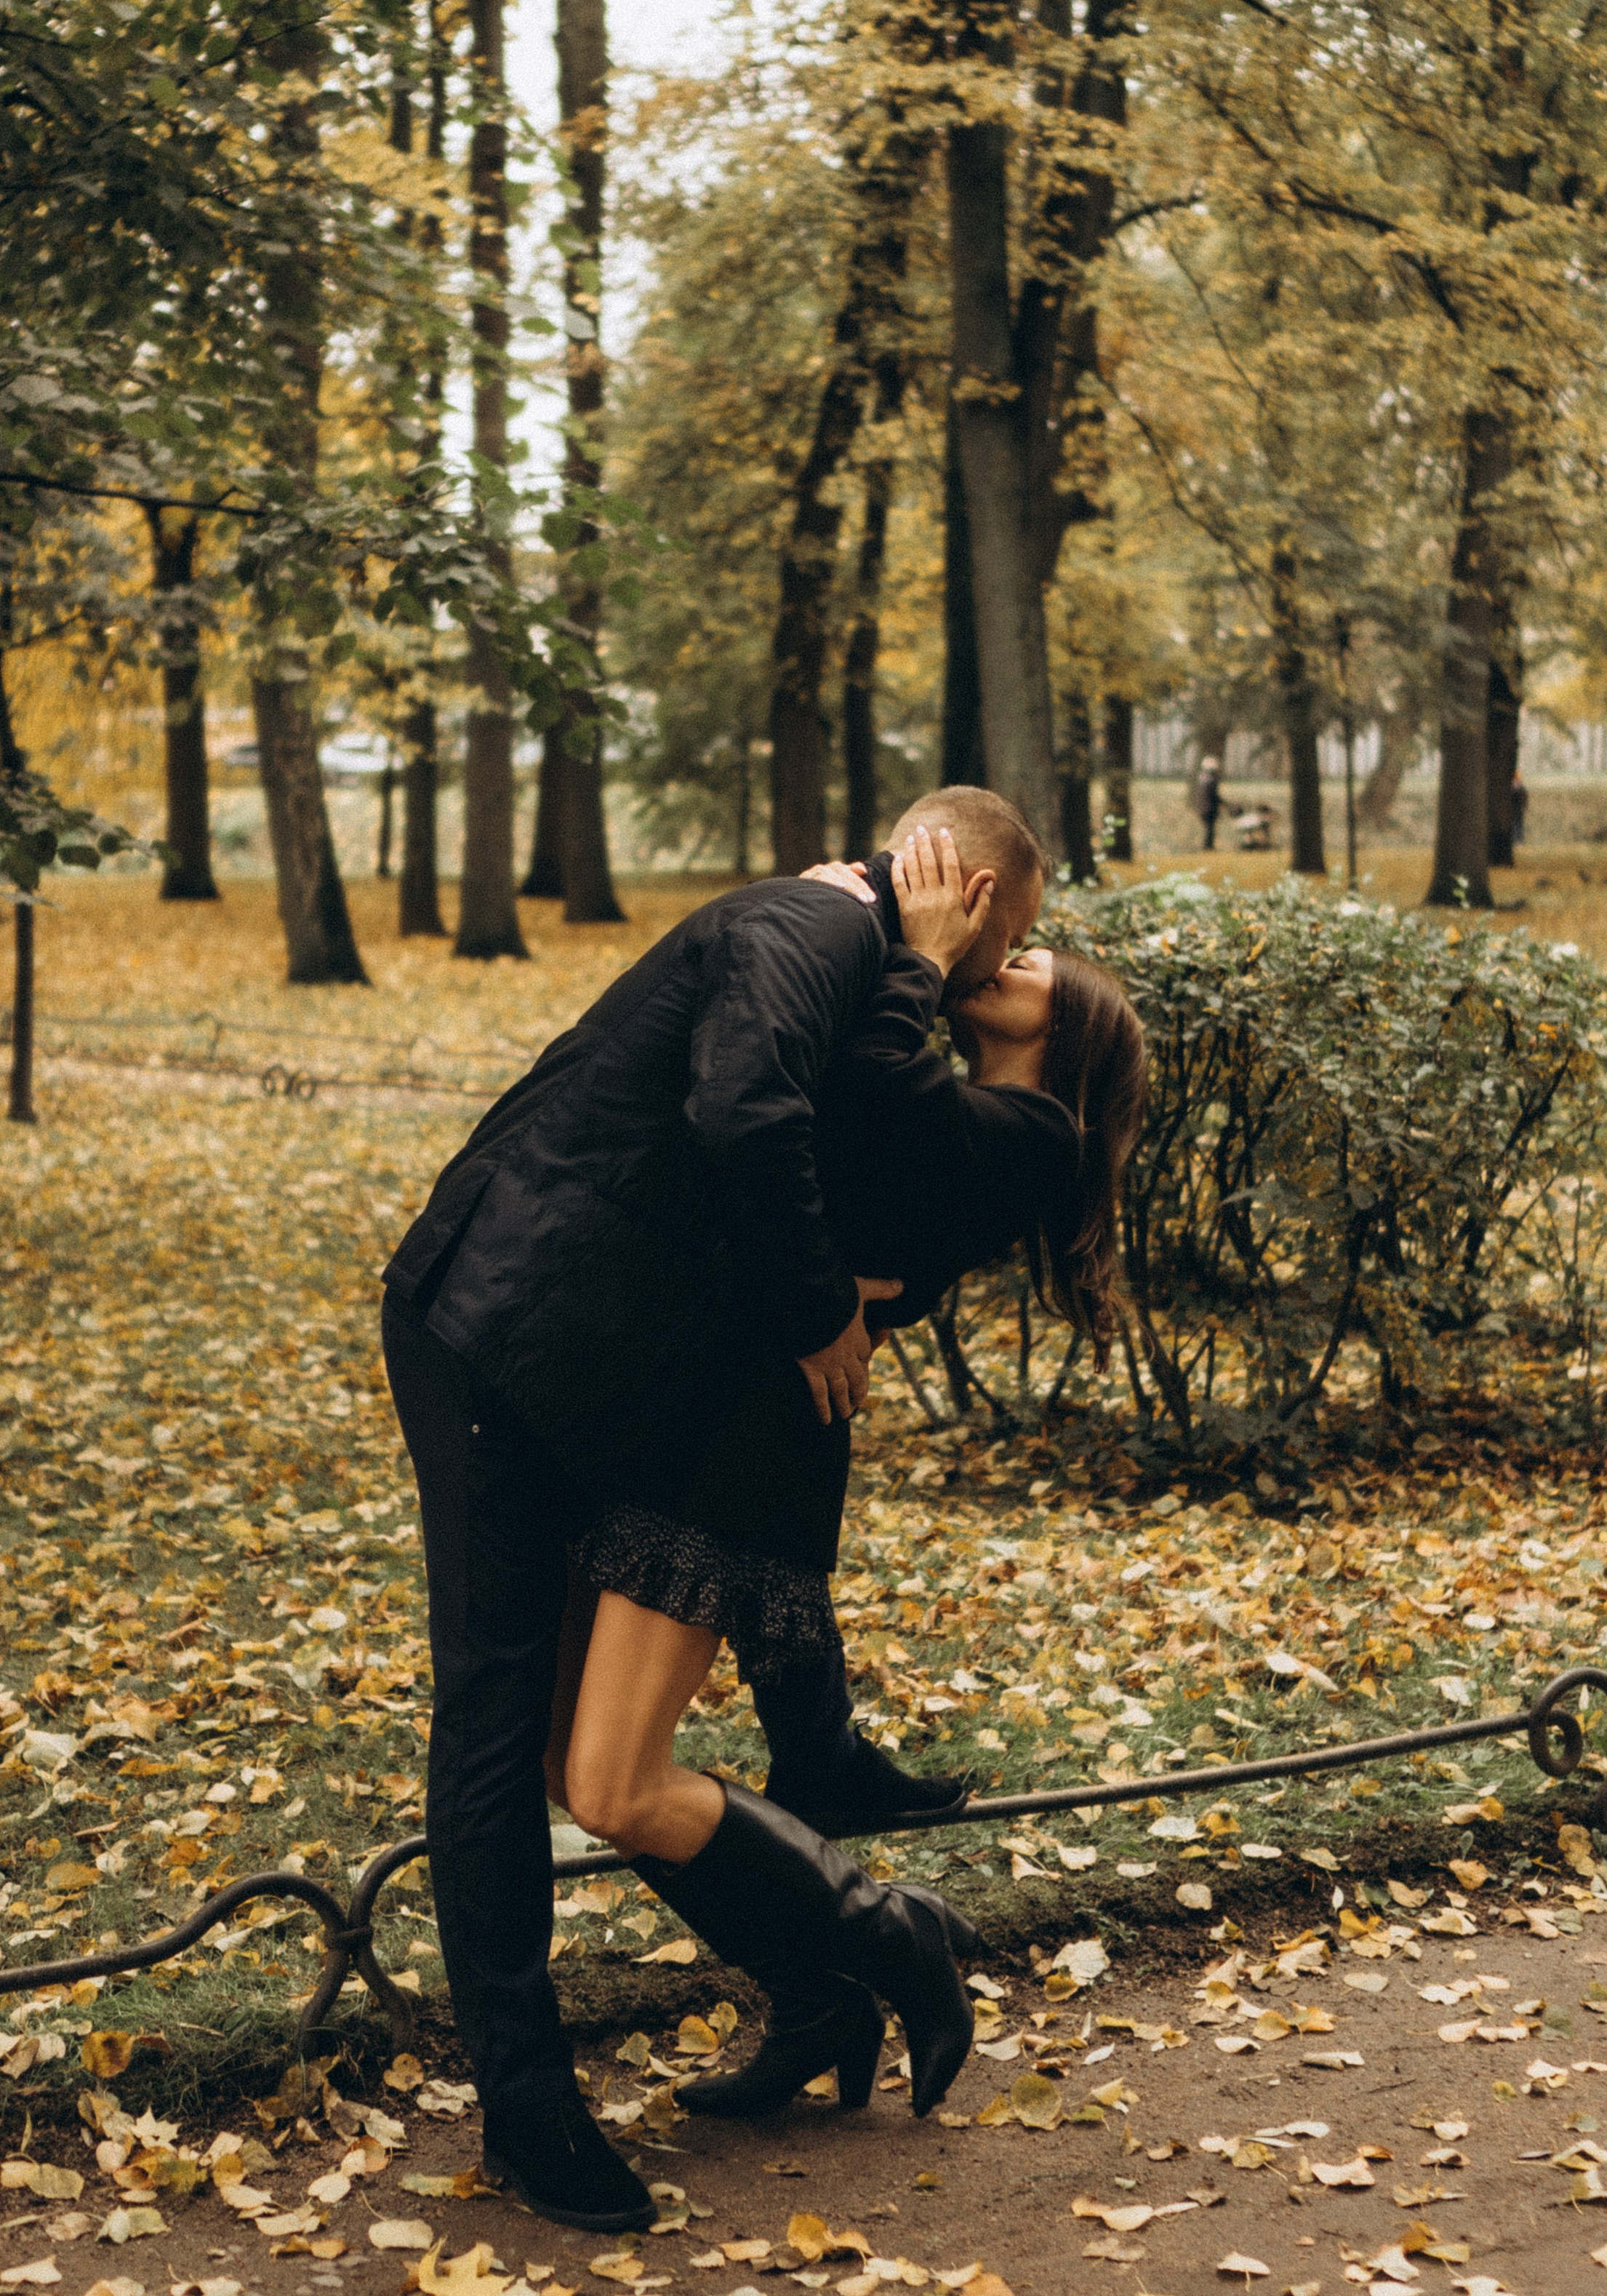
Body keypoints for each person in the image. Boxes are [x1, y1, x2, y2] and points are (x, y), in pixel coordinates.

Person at [380, 788, 1044, 2231]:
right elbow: (739, 1105)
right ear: (978, 893)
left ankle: (822, 1980)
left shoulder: (858, 973)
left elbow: (870, 1175)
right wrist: (817, 1310)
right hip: (503, 1333)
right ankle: (528, 2113)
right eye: (1013, 939)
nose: (999, 972)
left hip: (595, 1376)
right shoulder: (809, 924)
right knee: (494, 1728)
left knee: (582, 1756)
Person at [553, 852, 1148, 2122]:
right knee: (582, 1774)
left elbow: (874, 1091)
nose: (1012, 959)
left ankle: (887, 1934)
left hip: (746, 1447)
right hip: (710, 1409)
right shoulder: (971, 1119)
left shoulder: (1034, 1132)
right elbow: (841, 1142)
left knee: (612, 1783)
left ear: (1071, 1034)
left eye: (1037, 965)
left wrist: (921, 953)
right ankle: (816, 1996)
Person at [1193, 751, 1227, 851]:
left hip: (1202, 807)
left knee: (1208, 828)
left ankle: (1208, 847)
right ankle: (1208, 847)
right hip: (1209, 808)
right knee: (1210, 829)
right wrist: (1224, 804)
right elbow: (1214, 796)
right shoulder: (1211, 780)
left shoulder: (1201, 779)